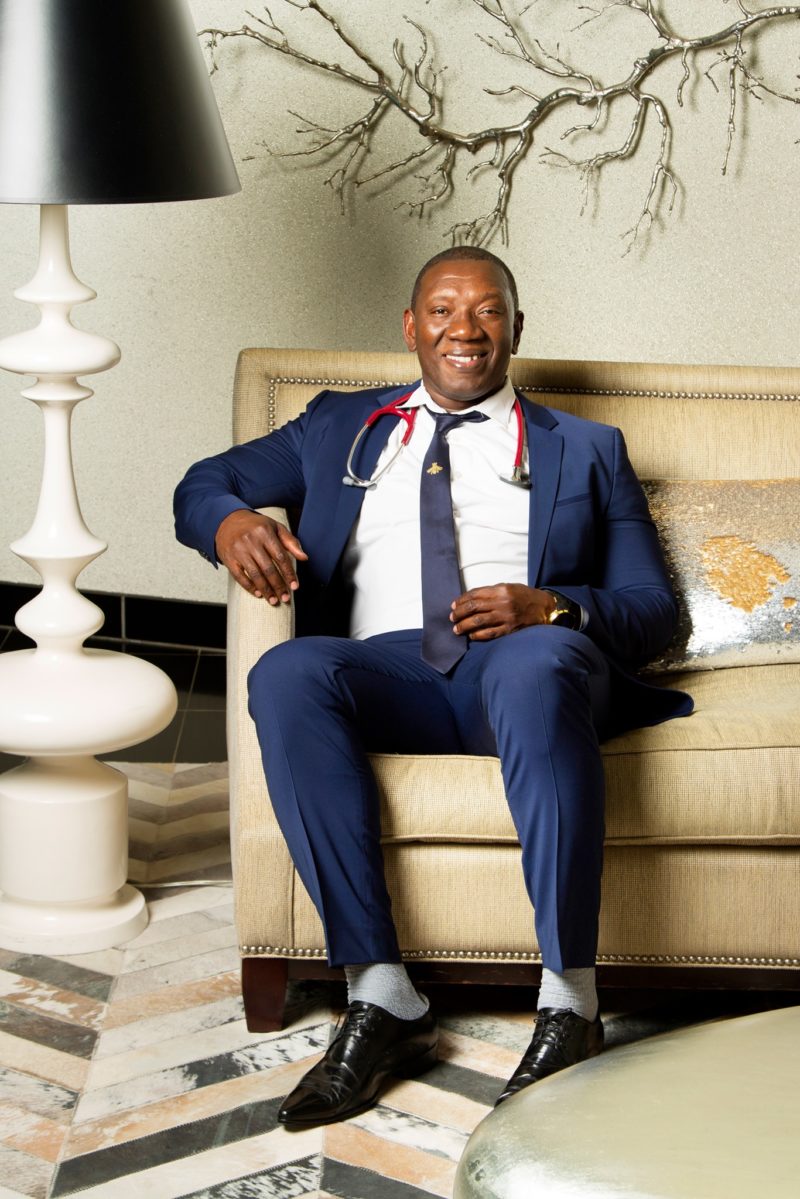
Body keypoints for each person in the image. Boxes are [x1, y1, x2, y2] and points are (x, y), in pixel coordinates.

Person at [174, 246, 693, 1128]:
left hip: (524, 667)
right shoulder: (338, 425)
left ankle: (570, 1004)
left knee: (534, 662)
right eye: (444, 309)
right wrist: (228, 523)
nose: (466, 329)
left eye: (487, 310)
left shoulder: (588, 448)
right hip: (391, 674)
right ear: (411, 327)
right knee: (287, 670)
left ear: (516, 328)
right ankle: (383, 997)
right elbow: (204, 482)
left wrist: (549, 605)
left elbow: (655, 612)